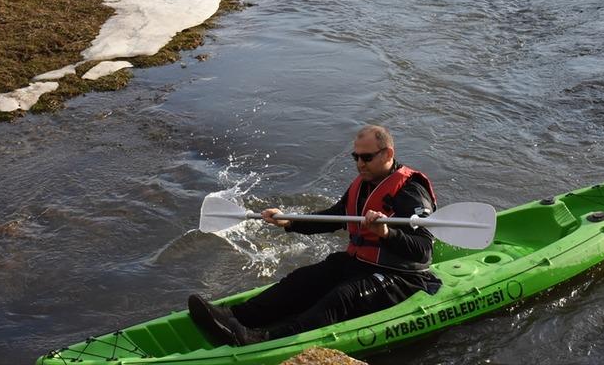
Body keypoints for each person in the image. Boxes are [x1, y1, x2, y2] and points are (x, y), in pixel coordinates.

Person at [188, 124, 440, 347]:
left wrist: (386, 232)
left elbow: (424, 251)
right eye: (356, 157)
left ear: (388, 154)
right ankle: (234, 316)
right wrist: (290, 221)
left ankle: (262, 341)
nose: (359, 164)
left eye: (366, 157)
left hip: (402, 275)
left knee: (342, 297)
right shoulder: (364, 183)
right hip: (361, 263)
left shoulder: (411, 192)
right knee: (303, 279)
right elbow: (333, 217)